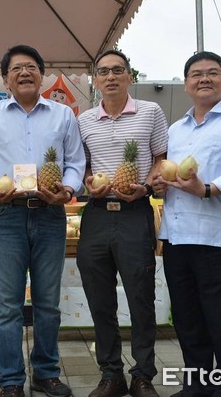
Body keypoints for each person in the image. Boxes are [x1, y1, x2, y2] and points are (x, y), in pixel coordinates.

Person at [0, 44, 86, 397]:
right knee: (7, 304)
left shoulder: (62, 115)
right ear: (6, 78)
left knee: (48, 302)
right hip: (6, 216)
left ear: (42, 75)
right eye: (17, 68)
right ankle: (9, 379)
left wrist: (67, 190)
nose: (25, 72)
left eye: (32, 66)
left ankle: (46, 373)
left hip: (50, 213)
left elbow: (75, 162)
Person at [152, 51, 221, 397]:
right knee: (188, 320)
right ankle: (197, 387)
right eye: (196, 74)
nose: (204, 79)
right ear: (186, 84)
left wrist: (209, 189)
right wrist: (159, 184)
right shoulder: (175, 128)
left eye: (212, 73)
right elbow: (169, 175)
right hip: (176, 239)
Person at [76, 49, 167, 397]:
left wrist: (145, 185)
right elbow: (80, 164)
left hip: (135, 213)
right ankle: (111, 374)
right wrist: (87, 180)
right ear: (95, 80)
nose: (110, 77)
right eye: (103, 72)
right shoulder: (84, 120)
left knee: (141, 297)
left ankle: (143, 375)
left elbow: (161, 158)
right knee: (100, 301)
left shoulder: (150, 112)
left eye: (118, 70)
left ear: (130, 76)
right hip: (97, 214)